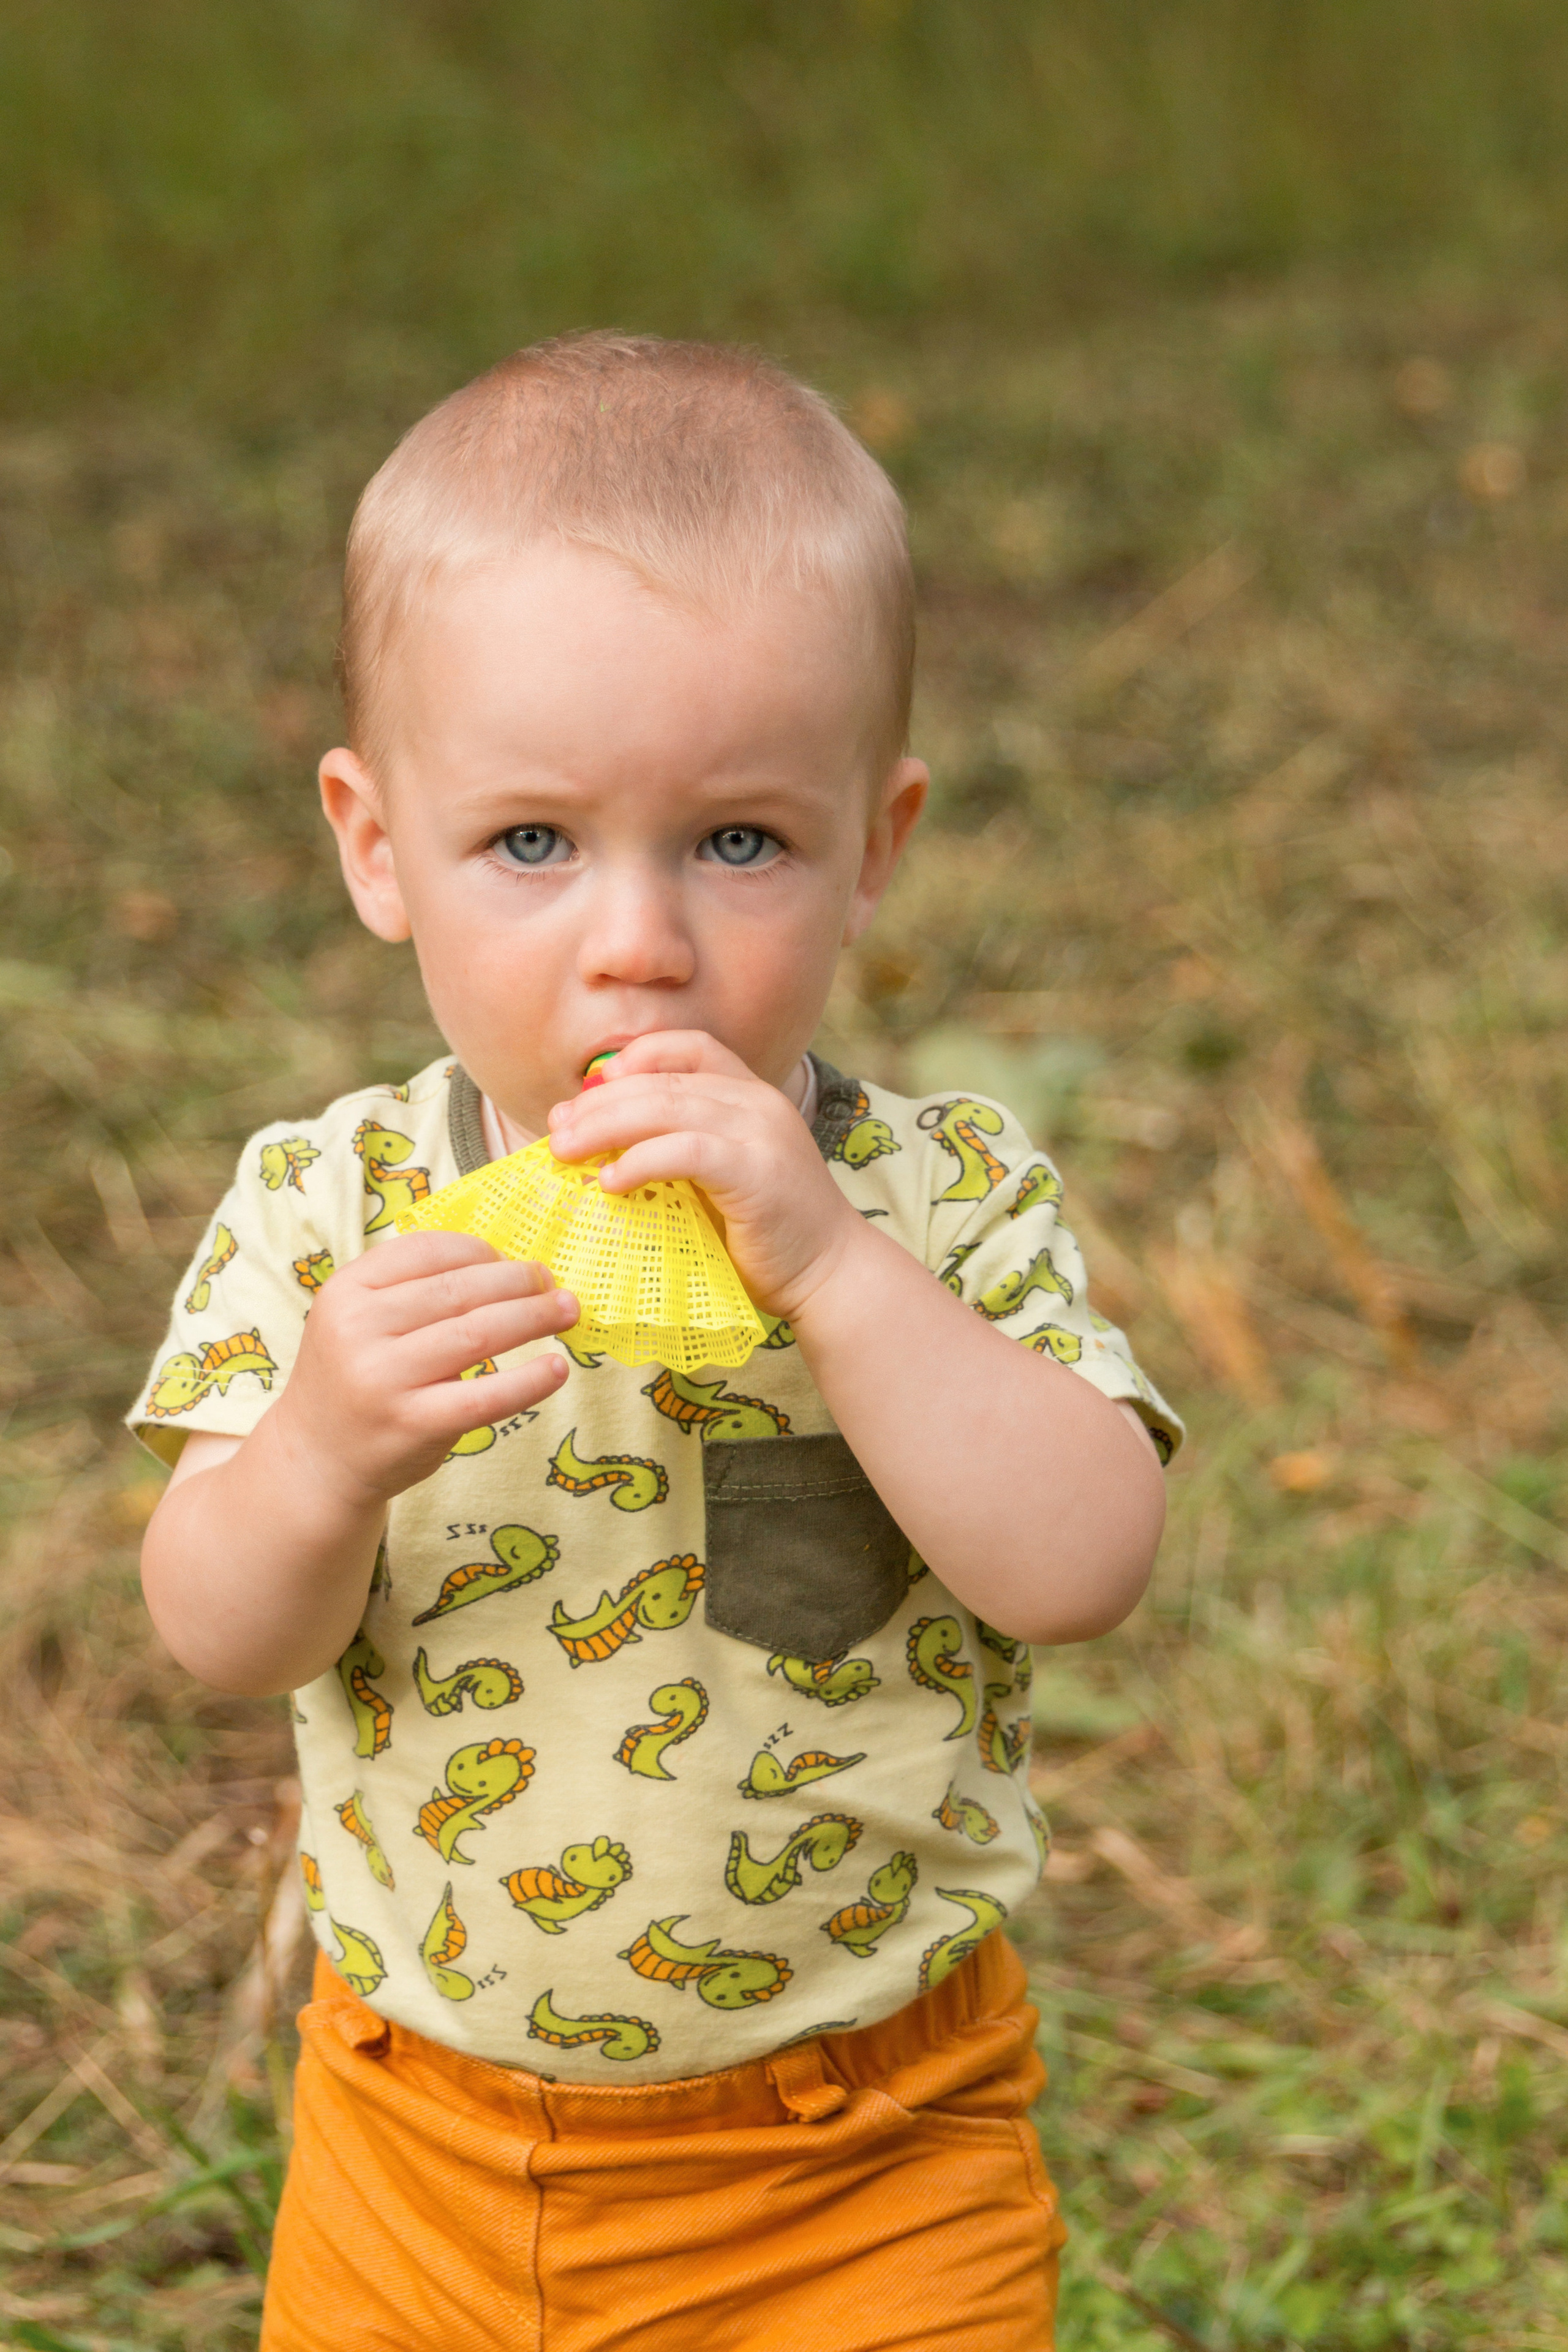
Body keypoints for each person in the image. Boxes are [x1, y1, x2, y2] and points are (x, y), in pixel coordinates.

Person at [132, 333, 1182, 2351]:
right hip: (417, 2145)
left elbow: (1083, 1563)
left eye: (738, 841)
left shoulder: (944, 1202)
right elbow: (217, 1627)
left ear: (875, 843)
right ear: (376, 847)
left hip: (864, 2155)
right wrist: (320, 1451)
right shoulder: (328, 1213)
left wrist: (841, 1271)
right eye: (532, 842)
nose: (637, 940)